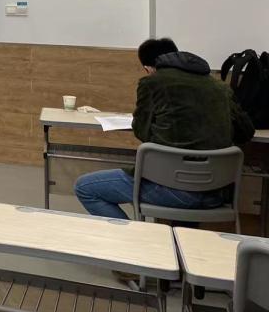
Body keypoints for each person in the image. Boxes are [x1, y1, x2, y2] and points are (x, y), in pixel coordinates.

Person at [75, 38, 255, 219]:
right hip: (217, 193)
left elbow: (142, 131)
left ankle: (132, 237)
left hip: (172, 189)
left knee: (85, 188)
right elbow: (246, 132)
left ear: (149, 68)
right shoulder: (220, 88)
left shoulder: (152, 83)